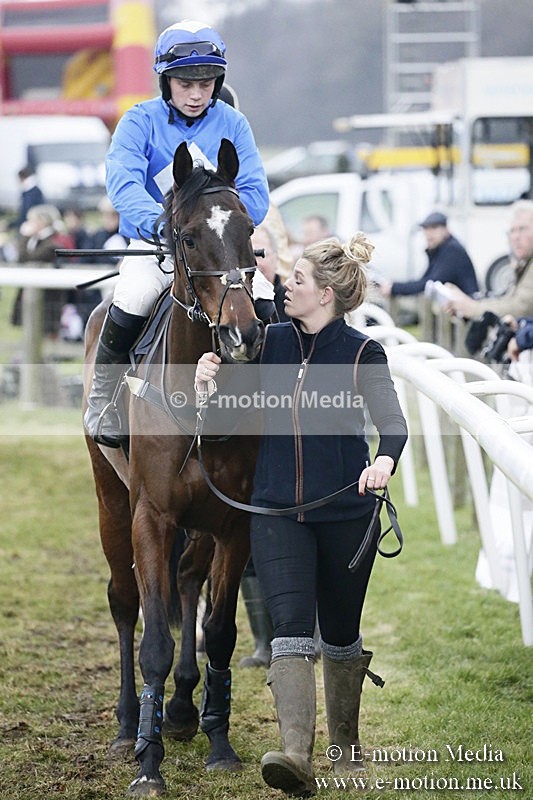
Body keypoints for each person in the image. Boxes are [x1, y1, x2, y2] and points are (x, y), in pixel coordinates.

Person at [196, 232, 408, 794]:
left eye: (296, 280)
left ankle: (346, 750)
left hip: (346, 515)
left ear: (325, 295)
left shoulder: (364, 353)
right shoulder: (270, 343)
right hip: (274, 513)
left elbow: (393, 425)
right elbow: (223, 417)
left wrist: (383, 462)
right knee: (289, 630)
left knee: (339, 633)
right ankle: (295, 754)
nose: (285, 286)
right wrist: (207, 383)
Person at [83, 18, 270, 448]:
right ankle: (104, 400)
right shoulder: (138, 121)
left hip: (219, 251)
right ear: (166, 81)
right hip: (156, 246)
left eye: (206, 83)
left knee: (263, 304)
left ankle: (278, 401)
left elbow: (256, 192)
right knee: (131, 300)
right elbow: (123, 182)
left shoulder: (234, 123)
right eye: (186, 83)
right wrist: (160, 226)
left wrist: (228, 225)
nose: (196, 93)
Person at [444, 200, 533, 320]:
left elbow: (521, 307)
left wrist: (473, 308)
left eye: (522, 229)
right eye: (512, 231)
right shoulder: (525, 263)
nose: (516, 237)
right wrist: (467, 304)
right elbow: (509, 301)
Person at [378, 211, 479, 299]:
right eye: (426, 228)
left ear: (446, 229)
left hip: (466, 311)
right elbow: (426, 281)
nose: (429, 233)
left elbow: (429, 284)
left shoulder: (452, 250)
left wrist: (395, 287)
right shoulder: (440, 249)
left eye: (434, 228)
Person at [11, 204, 75, 336]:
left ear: (41, 221)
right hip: (35, 293)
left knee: (44, 331)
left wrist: (24, 236)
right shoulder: (38, 240)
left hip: (48, 295)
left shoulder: (53, 241)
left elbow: (25, 258)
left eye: (31, 220)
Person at [8, 166, 45, 231]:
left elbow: (26, 213)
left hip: (32, 226)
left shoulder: (31, 193)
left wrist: (12, 225)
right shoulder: (33, 191)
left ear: (22, 178)